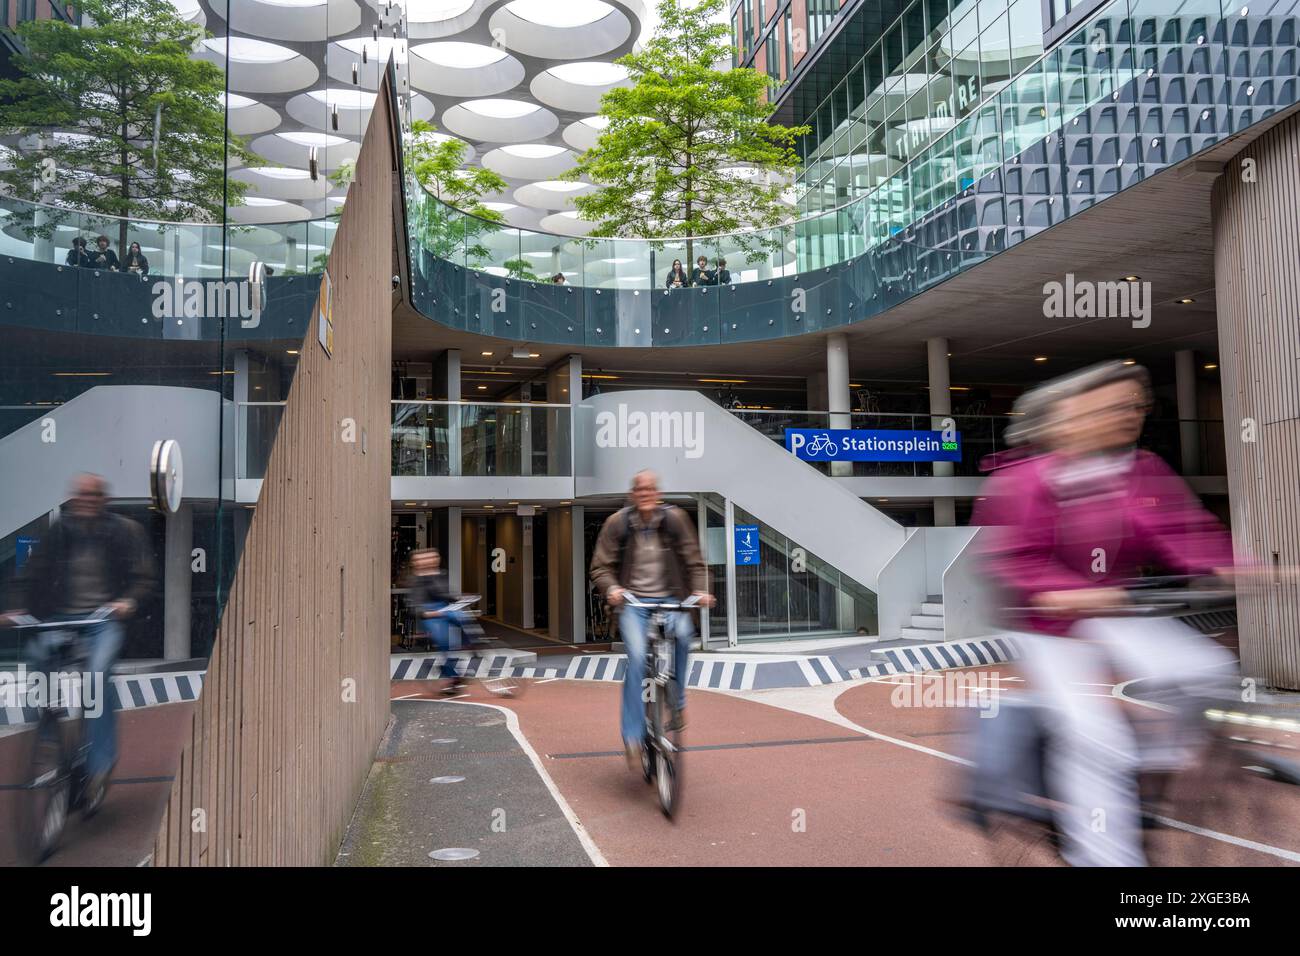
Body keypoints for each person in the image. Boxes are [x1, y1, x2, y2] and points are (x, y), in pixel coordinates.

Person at [973, 360, 1242, 867]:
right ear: (1074, 415)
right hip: (1048, 627)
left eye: (1135, 406)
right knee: (1096, 737)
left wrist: (1236, 568)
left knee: (1211, 669)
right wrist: (1062, 592)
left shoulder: (1142, 471)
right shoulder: (1026, 481)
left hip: (1117, 610)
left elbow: (1184, 531)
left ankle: (1158, 762)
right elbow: (1015, 557)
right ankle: (1105, 859)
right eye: (1116, 406)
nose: (1130, 415)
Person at [1, 473, 154, 792]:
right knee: (37, 657)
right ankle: (48, 735)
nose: (83, 501)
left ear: (103, 501)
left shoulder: (124, 532)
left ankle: (100, 761)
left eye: (91, 496)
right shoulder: (60, 531)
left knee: (97, 675)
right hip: (60, 618)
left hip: (102, 620)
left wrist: (127, 601)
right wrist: (17, 609)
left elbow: (143, 579)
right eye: (79, 496)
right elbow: (32, 574)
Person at [590, 470, 714, 769]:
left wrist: (701, 591)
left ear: (658, 493)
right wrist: (613, 589)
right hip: (634, 603)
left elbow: (695, 561)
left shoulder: (675, 520)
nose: (645, 493)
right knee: (635, 657)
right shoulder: (618, 523)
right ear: (633, 494)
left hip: (670, 600)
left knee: (684, 636)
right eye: (639, 489)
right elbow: (600, 567)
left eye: (650, 489)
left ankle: (678, 703)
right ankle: (632, 735)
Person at [406, 548, 475, 695]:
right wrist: (429, 613)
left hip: (444, 609)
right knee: (444, 641)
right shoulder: (417, 579)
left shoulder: (440, 574)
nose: (431, 560)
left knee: (463, 617)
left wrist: (460, 599)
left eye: (434, 557)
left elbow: (445, 594)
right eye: (426, 558)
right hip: (429, 613)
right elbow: (415, 605)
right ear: (418, 563)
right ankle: (452, 675)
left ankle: (471, 645)